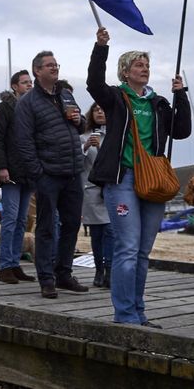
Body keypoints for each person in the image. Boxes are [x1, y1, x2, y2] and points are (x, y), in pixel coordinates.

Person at [87, 26, 192, 326]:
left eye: (147, 65)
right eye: (138, 65)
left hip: (153, 181)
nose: (145, 69)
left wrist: (180, 95)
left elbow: (181, 130)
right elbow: (94, 82)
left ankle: (139, 311)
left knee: (143, 251)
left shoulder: (158, 103)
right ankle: (125, 314)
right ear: (125, 71)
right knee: (128, 246)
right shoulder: (116, 98)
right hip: (122, 180)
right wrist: (101, 48)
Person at [15, 50, 90, 299]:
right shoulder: (27, 102)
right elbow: (23, 142)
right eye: (49, 65)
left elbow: (82, 125)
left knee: (71, 224)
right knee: (46, 227)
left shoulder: (66, 95)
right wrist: (38, 173)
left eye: (56, 64)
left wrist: (80, 120)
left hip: (72, 171)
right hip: (48, 174)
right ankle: (46, 278)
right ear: (37, 71)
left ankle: (63, 273)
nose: (54, 68)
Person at [0, 70, 37, 284]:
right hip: (10, 170)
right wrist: (1, 166)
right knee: (9, 219)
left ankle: (15, 262)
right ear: (14, 86)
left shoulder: (33, 108)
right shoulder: (4, 108)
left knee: (22, 220)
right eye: (25, 82)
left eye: (30, 82)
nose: (29, 85)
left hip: (28, 172)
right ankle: (5, 265)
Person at [81, 102, 113, 288]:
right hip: (91, 191)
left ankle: (109, 270)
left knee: (110, 231)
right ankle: (99, 269)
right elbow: (78, 162)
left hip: (111, 190)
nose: (100, 111)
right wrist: (85, 146)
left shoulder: (115, 136)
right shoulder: (84, 136)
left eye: (103, 108)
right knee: (97, 234)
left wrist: (101, 147)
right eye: (96, 109)